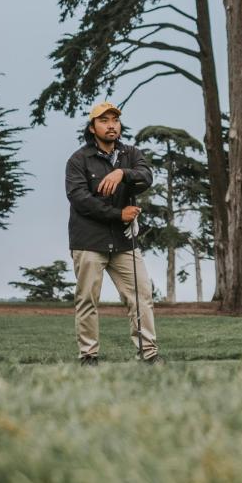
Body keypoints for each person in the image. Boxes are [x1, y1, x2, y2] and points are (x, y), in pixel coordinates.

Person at [66, 101, 161, 366]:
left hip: (124, 242)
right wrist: (118, 215)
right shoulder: (78, 160)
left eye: (115, 120)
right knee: (87, 300)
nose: (111, 125)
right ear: (92, 127)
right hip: (88, 241)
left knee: (142, 296)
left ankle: (149, 355)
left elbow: (146, 176)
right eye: (104, 120)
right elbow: (79, 199)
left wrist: (122, 173)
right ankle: (88, 356)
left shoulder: (131, 154)